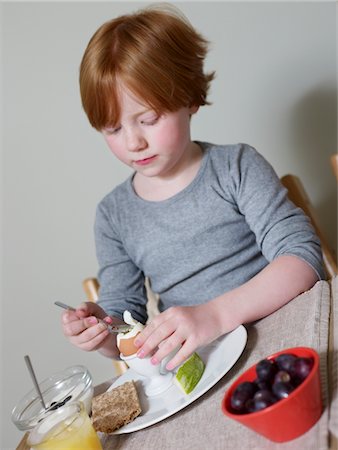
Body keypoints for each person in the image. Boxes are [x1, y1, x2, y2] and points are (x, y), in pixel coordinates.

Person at [61, 4, 324, 371]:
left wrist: (215, 315)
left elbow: (302, 260)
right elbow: (127, 325)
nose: (133, 141)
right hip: (207, 365)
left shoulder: (235, 166)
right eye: (113, 129)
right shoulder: (113, 215)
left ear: (190, 99)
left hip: (287, 332)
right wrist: (103, 332)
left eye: (148, 119)